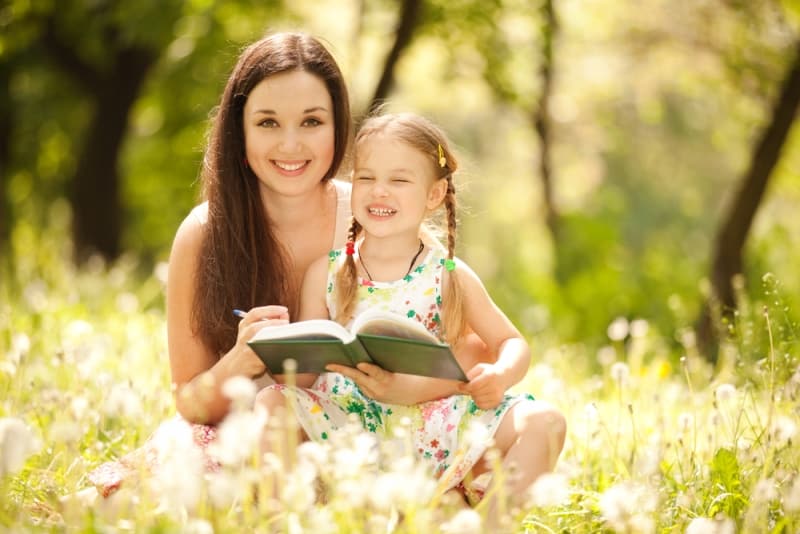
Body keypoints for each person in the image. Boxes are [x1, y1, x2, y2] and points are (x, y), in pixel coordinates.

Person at [86, 30, 354, 496]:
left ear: (338, 126)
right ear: (240, 131)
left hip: (352, 444)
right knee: (126, 508)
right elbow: (190, 403)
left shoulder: (371, 218)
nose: (290, 145)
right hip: (236, 438)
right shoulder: (203, 232)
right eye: (268, 123)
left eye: (311, 122)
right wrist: (241, 360)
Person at [254, 112, 566, 506]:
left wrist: (500, 375)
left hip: (428, 426)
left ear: (433, 195)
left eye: (399, 180)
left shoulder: (449, 275)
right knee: (270, 401)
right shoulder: (327, 273)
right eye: (366, 177)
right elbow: (303, 375)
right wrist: (274, 347)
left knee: (547, 422)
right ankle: (279, 519)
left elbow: (511, 342)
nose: (379, 191)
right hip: (347, 423)